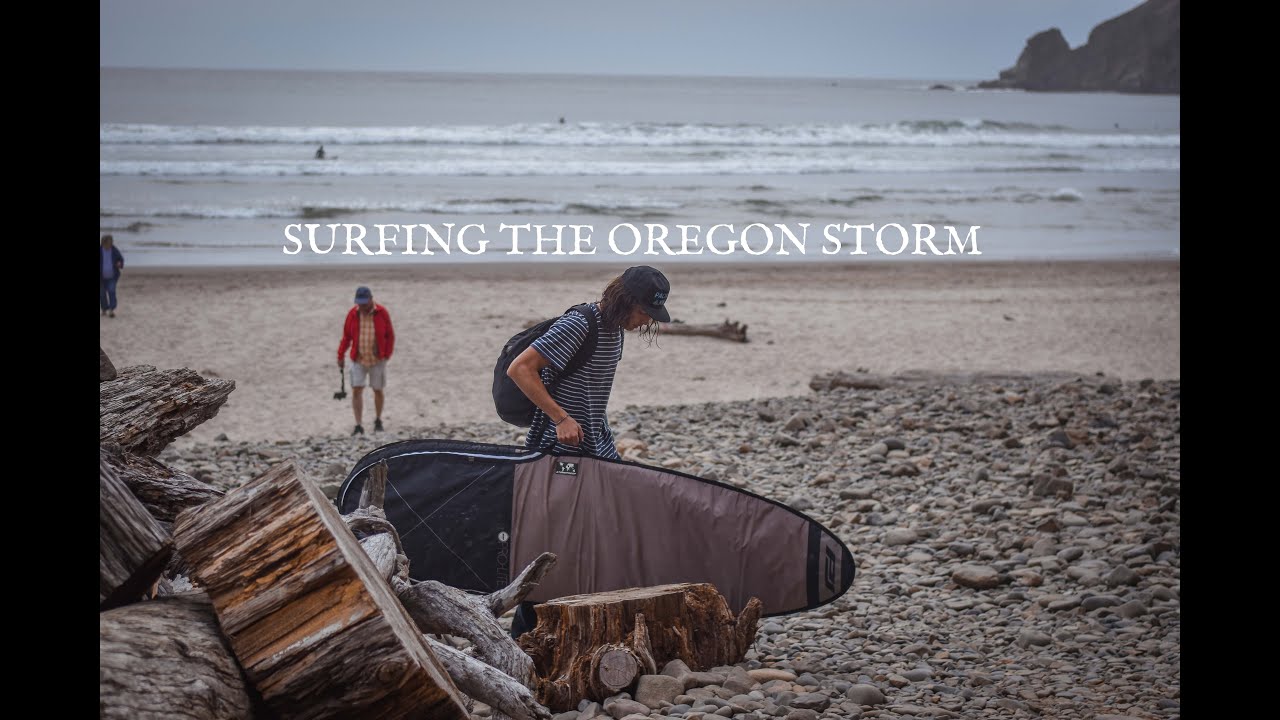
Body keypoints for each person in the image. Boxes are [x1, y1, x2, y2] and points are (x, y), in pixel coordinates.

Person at [503, 265, 670, 636]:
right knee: (555, 547)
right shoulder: (581, 323)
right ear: (625, 301)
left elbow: (592, 396)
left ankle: (583, 626)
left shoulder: (615, 331)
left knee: (600, 536)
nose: (646, 321)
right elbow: (521, 369)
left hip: (595, 449)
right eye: (644, 312)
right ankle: (525, 636)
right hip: (557, 453)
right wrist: (561, 418)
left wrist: (604, 440)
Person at [337, 286, 395, 435]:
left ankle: (378, 420)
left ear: (371, 299)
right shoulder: (352, 314)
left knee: (378, 390)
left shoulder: (382, 313)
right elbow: (346, 337)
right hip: (358, 359)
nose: (362, 306)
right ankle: (358, 425)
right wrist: (340, 355)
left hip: (377, 360)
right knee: (356, 389)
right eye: (359, 303)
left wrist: (386, 355)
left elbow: (390, 335)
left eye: (364, 303)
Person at [100, 234, 124, 317]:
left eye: (111, 242)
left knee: (112, 291)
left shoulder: (114, 250)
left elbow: (120, 259)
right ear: (103, 243)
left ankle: (111, 309)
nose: (109, 244)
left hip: (112, 276)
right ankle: (104, 308)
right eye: (108, 243)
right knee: (102, 294)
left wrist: (120, 263)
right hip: (101, 278)